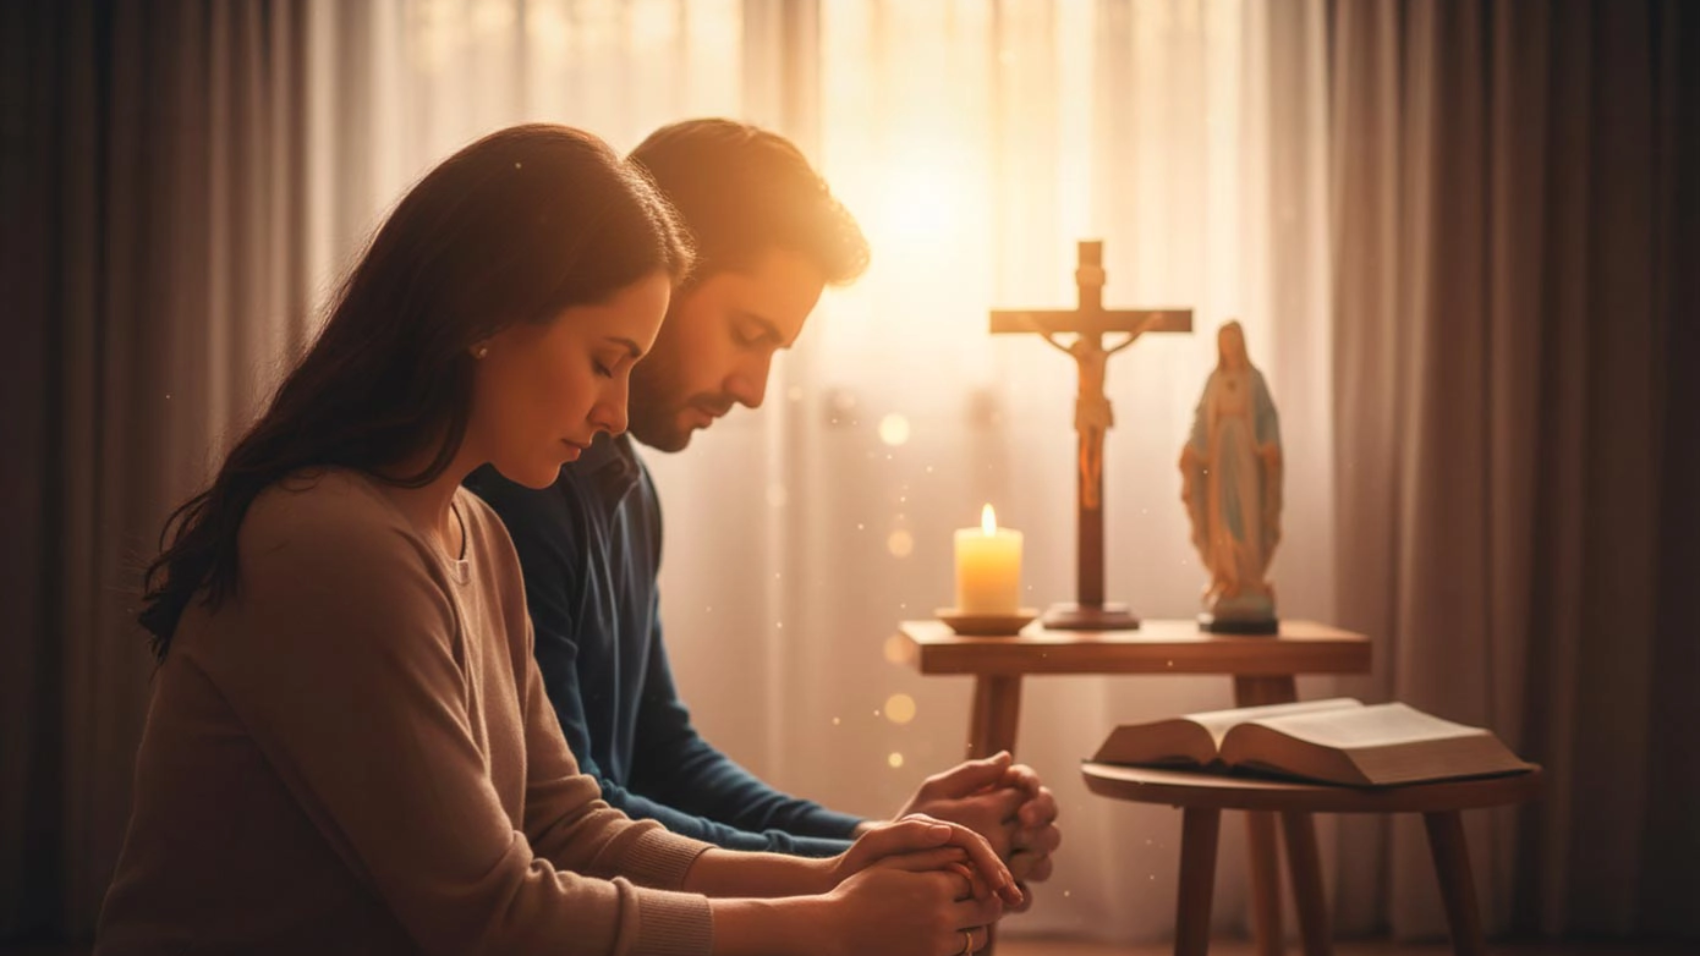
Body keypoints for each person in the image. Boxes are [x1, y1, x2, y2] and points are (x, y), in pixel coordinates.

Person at [99, 124, 1017, 956]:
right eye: (605, 362)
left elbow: (568, 823)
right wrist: (830, 923)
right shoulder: (333, 542)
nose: (616, 411)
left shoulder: (477, 533)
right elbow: (493, 916)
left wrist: (835, 873)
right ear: (486, 319)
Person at [465, 119, 1062, 893]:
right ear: (660, 273)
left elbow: (661, 755)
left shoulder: (626, 488)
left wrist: (880, 840)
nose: (753, 389)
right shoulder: (521, 487)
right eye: (748, 334)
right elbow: (568, 826)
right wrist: (852, 864)